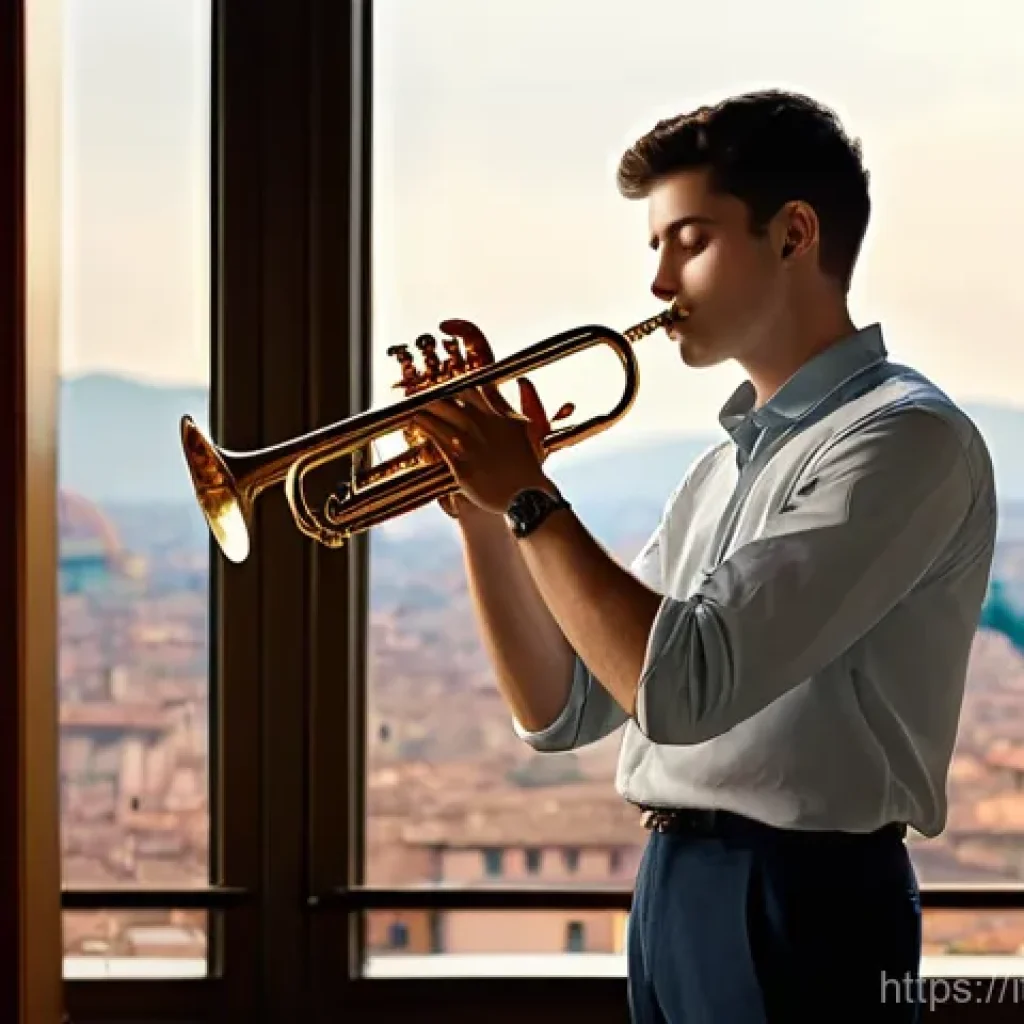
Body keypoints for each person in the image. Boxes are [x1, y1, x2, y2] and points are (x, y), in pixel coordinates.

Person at [410, 90, 997, 1023]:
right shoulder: (717, 470)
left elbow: (683, 687)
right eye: (657, 248)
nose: (658, 283)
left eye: (690, 241)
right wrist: (483, 512)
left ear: (794, 234)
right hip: (673, 883)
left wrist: (527, 495)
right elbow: (563, 707)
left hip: (803, 897)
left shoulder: (903, 439)